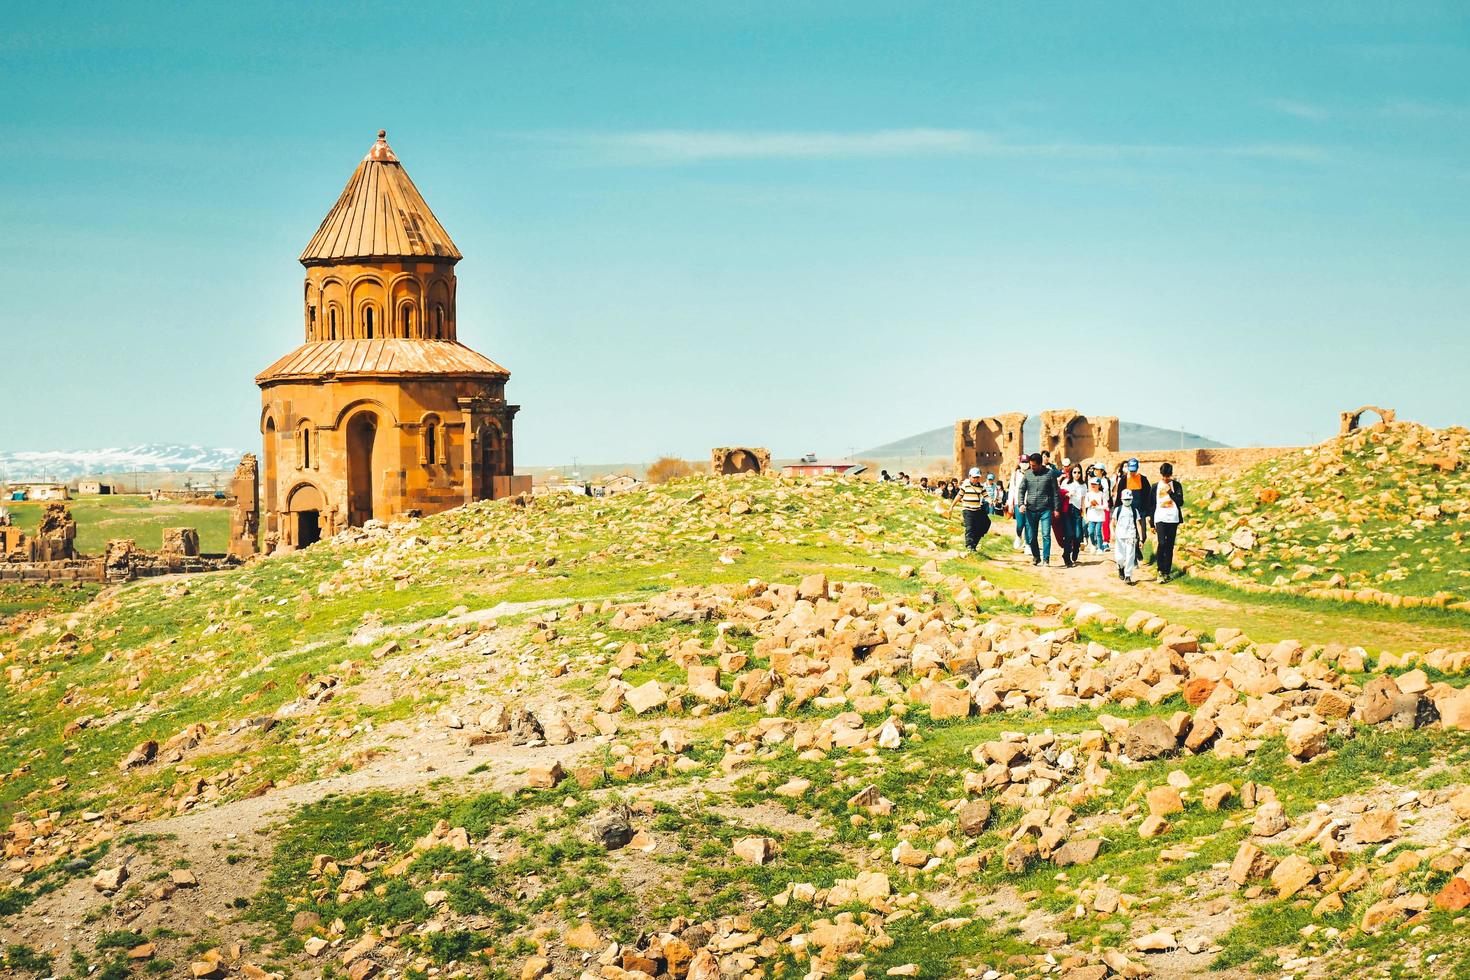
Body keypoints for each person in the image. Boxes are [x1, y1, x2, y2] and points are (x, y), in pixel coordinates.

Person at [1017, 453, 1059, 566]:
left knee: (1046, 534)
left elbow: (1056, 492)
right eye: (1031, 465)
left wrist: (1056, 508)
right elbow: (1021, 490)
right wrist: (1021, 504)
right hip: (1030, 510)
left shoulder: (1050, 474)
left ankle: (1046, 559)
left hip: (1045, 509)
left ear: (1040, 464)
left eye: (1034, 465)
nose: (1032, 467)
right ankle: (1036, 557)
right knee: (1031, 537)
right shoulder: (1027, 474)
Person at [1152, 462, 1185, 582]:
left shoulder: (1177, 485)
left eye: (1168, 476)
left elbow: (1180, 502)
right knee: (1162, 543)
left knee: (1170, 545)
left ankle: (1167, 572)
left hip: (1173, 518)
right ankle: (1160, 570)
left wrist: (1170, 492)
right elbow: (1152, 505)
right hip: (1160, 518)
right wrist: (1151, 523)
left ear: (1171, 475)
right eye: (1164, 476)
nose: (1166, 478)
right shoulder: (1155, 486)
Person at [947, 467, 991, 552]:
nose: (976, 479)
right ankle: (969, 546)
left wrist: (990, 501)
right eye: (974, 477)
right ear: (970, 476)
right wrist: (952, 506)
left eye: (977, 477)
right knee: (970, 528)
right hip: (967, 510)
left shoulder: (981, 486)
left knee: (986, 523)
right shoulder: (965, 485)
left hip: (977, 510)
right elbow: (959, 496)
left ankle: (974, 544)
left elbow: (986, 496)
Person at [1057, 462, 1086, 566]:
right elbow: (1060, 494)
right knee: (1069, 535)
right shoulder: (1066, 482)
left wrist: (1084, 514)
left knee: (1078, 536)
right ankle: (1066, 556)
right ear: (1071, 472)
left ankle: (1076, 551)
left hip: (1077, 511)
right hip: (1067, 511)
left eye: (1079, 472)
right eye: (1074, 472)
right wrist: (1067, 494)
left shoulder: (1083, 485)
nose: (1077, 474)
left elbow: (1083, 500)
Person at [1112, 489, 1140, 584]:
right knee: (1120, 557)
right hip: (1120, 536)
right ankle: (1120, 567)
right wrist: (1112, 533)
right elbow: (1113, 523)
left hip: (1131, 536)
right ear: (1121, 499)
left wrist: (1140, 537)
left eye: (1129, 499)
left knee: (1130, 556)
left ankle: (1128, 575)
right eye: (1125, 499)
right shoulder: (1117, 510)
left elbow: (1138, 524)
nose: (1127, 501)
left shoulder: (1134, 510)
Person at [1006, 455, 1028, 552]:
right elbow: (1012, 490)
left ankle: (1028, 544)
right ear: (1019, 463)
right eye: (1023, 462)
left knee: (1029, 525)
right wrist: (1010, 504)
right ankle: (1018, 536)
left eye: (1026, 462)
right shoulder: (1015, 475)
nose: (1025, 464)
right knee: (1020, 524)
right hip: (1018, 503)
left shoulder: (1032, 473)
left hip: (1029, 503)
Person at [1082, 475, 1108, 553]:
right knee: (1091, 532)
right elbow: (1086, 504)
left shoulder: (1102, 494)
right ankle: (1093, 544)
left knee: (1098, 532)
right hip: (1091, 516)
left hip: (1100, 516)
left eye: (1095, 484)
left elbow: (1106, 505)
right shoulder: (1088, 494)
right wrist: (1091, 504)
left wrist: (1098, 507)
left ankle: (1100, 547)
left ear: (1099, 485)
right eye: (1092, 484)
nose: (1093, 485)